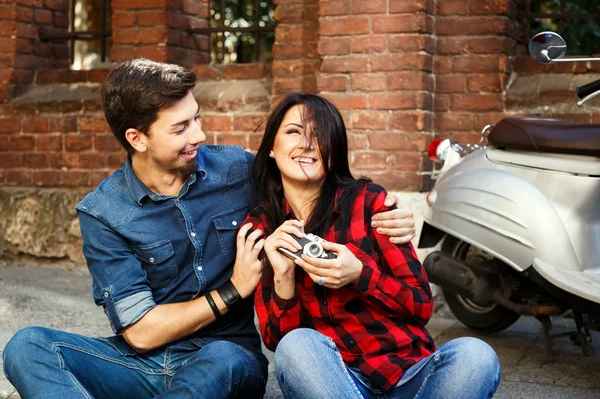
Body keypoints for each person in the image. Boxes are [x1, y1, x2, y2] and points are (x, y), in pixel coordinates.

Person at [2, 59, 416, 398]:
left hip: (226, 357)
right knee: (27, 347)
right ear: (137, 138)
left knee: (216, 364)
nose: (199, 134)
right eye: (180, 128)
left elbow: (310, 171)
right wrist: (232, 290)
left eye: (196, 118)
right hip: (139, 364)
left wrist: (386, 205)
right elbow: (142, 334)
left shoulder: (236, 169)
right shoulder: (105, 212)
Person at [244, 93, 501, 399]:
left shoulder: (370, 202)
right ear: (272, 147)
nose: (307, 144)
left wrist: (360, 276)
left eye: (319, 135)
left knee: (476, 356)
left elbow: (421, 305)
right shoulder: (263, 226)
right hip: (334, 380)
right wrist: (283, 276)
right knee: (296, 346)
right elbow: (279, 343)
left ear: (334, 150)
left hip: (407, 373)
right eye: (294, 131)